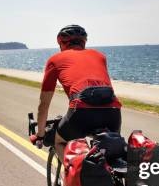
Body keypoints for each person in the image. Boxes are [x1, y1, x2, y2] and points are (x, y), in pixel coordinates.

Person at [30, 25, 121, 160]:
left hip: (81, 113)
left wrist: (40, 135)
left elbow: (44, 105)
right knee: (112, 152)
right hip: (113, 112)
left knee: (60, 141)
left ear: (61, 43)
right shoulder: (100, 56)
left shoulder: (54, 60)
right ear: (84, 42)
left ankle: (70, 177)